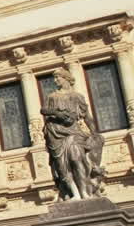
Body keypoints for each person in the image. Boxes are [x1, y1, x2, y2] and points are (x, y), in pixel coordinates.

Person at [42, 68, 105, 200]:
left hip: (73, 131)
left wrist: (94, 132)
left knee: (76, 159)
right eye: (55, 78)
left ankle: (84, 192)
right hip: (55, 132)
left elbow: (87, 116)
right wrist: (57, 113)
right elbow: (43, 109)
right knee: (62, 166)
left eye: (58, 77)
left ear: (66, 78)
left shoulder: (76, 96)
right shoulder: (52, 96)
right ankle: (74, 193)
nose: (55, 80)